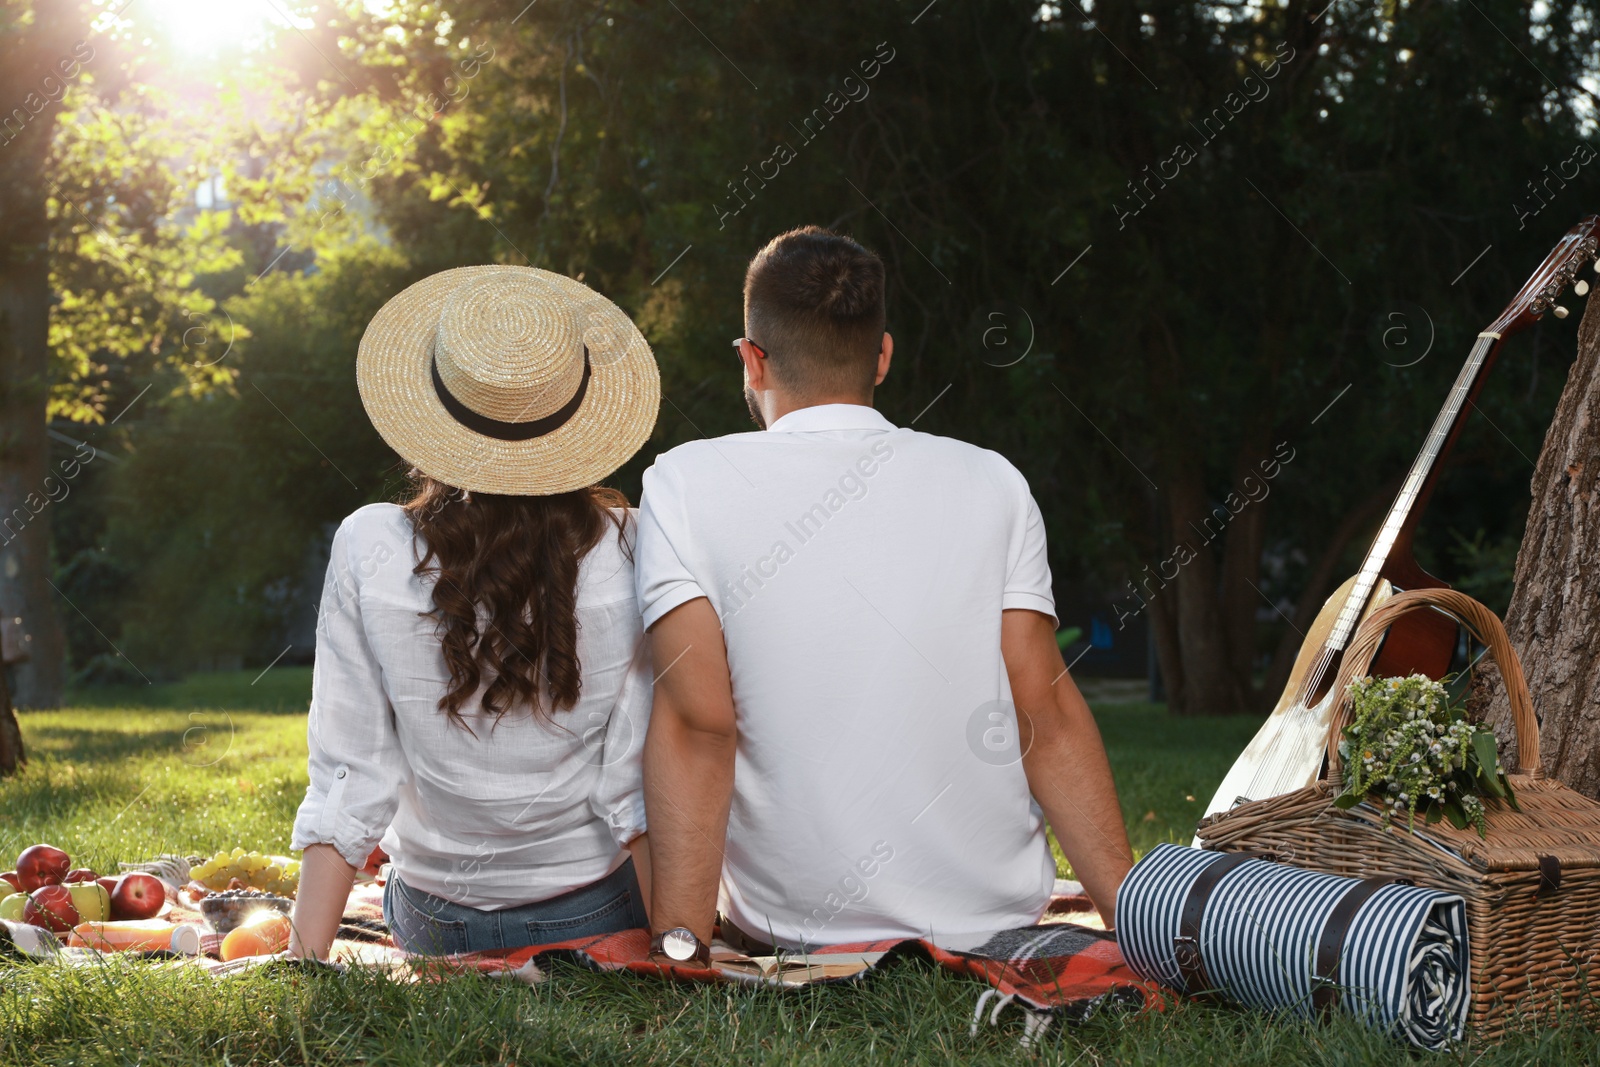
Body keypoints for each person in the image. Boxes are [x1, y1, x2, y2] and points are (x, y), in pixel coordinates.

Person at [635, 227, 1133, 964]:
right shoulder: (992, 478)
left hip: (796, 932)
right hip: (995, 927)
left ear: (751, 359)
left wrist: (680, 948)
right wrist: (1133, 918)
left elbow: (699, 726)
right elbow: (1046, 713)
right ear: (884, 354)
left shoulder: (682, 483)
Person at [287, 265, 661, 959]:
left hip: (433, 921)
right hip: (597, 914)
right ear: (578, 416)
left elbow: (351, 769)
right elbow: (635, 778)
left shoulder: (368, 543)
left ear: (433, 411)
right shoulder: (636, 543)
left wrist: (303, 958)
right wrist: (680, 950)